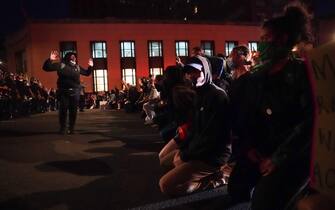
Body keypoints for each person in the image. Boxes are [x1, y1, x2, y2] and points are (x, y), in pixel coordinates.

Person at [227, 3, 314, 210]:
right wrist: (249, 149)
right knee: (237, 187)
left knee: (263, 202)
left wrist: (277, 159)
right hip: (264, 149)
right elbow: (250, 117)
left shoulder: (301, 73)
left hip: (293, 154)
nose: (261, 44)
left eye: (266, 39)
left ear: (282, 39)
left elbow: (308, 124)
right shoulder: (259, 77)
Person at [159, 55, 231, 196]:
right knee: (165, 161)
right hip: (199, 150)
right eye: (189, 72)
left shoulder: (217, 96)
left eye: (196, 72)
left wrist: (185, 155)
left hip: (213, 156)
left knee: (165, 186)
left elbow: (211, 138)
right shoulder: (199, 94)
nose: (191, 76)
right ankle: (202, 176)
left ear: (206, 71)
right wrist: (183, 151)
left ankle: (217, 178)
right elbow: (194, 130)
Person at [42, 51, 93, 134]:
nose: (74, 58)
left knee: (73, 111)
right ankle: (63, 128)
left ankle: (71, 128)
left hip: (75, 92)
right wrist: (50, 59)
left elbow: (87, 73)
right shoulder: (61, 65)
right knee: (63, 110)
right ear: (68, 57)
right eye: (72, 56)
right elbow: (46, 68)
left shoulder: (77, 67)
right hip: (64, 91)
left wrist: (90, 66)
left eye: (75, 57)